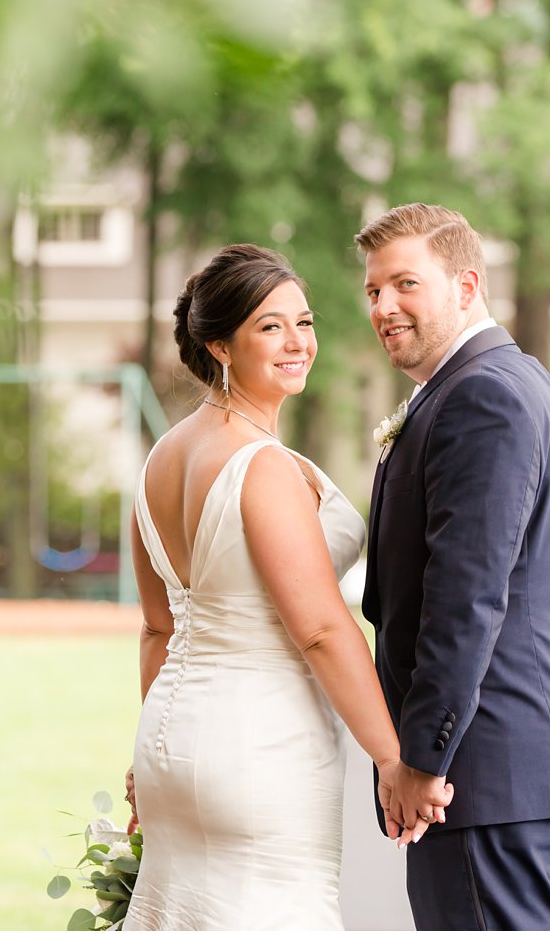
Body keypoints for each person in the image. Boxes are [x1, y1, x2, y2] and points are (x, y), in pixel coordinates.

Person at [120, 244, 426, 931]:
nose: (298, 343)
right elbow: (319, 628)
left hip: (173, 740)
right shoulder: (259, 465)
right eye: (270, 327)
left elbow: (158, 629)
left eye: (305, 322)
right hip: (260, 745)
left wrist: (155, 749)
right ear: (220, 346)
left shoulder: (160, 459)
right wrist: (391, 757)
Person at [356, 203, 550, 930]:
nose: (383, 307)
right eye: (373, 291)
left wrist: (423, 759)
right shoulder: (532, 388)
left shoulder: (481, 397)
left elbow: (465, 596)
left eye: (406, 284)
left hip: (495, 781)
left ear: (466, 284)